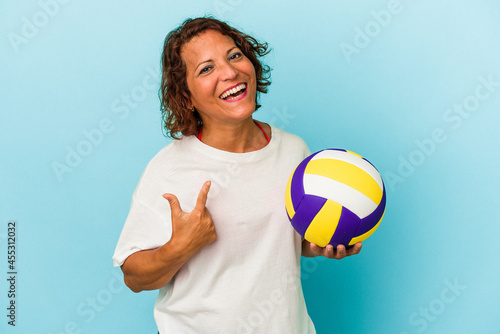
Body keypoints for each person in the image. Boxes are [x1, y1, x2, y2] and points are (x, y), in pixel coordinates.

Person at [112, 17, 362, 334]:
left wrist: (318, 242)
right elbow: (134, 278)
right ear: (185, 95)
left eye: (234, 56)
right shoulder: (170, 168)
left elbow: (279, 240)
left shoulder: (293, 151)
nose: (230, 73)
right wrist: (181, 246)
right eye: (206, 69)